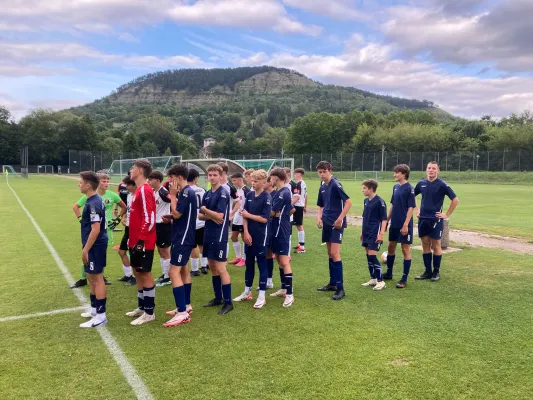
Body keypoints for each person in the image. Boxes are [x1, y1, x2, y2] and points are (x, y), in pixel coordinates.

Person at [71, 172, 125, 288]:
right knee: (88, 253)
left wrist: (118, 219)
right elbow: (75, 206)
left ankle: (100, 275)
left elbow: (124, 207)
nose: (106, 183)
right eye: (103, 181)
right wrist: (81, 219)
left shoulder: (112, 195)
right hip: (93, 230)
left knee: (99, 253)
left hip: (104, 230)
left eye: (107, 181)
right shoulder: (90, 197)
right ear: (97, 183)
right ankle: (83, 277)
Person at [162, 164, 197, 327]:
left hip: (182, 237)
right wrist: (171, 217)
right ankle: (186, 306)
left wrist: (173, 196)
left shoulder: (185, 192)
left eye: (171, 178)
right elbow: (178, 215)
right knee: (183, 270)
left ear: (179, 178)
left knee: (173, 271)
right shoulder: (187, 192)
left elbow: (177, 213)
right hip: (182, 235)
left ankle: (182, 312)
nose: (170, 181)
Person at [414, 161, 459, 282]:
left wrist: (446, 214)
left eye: (434, 168)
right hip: (423, 219)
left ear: (438, 171)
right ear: (426, 170)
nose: (431, 170)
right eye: (429, 168)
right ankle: (427, 271)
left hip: (435, 220)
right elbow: (412, 195)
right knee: (425, 244)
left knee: (436, 245)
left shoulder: (442, 185)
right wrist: (416, 209)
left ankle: (436, 272)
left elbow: (455, 200)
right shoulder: (421, 183)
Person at [233, 170, 272, 309]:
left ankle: (262, 295)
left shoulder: (267, 197)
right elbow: (243, 215)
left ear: (263, 182)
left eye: (256, 181)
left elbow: (264, 218)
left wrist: (248, 215)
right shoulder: (249, 195)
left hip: (261, 235)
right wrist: (246, 232)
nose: (253, 183)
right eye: (252, 181)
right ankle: (247, 291)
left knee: (262, 264)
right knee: (249, 263)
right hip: (249, 235)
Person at [125, 159, 157, 326]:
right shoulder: (138, 191)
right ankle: (142, 307)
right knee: (137, 272)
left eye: (133, 168)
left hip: (143, 241)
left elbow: (150, 218)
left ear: (139, 170)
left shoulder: (145, 190)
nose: (131, 170)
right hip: (135, 240)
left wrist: (140, 240)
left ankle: (149, 312)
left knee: (145, 273)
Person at [199, 164, 234, 315]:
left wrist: (206, 211)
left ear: (221, 176)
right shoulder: (207, 193)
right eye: (210, 175)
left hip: (219, 235)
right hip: (208, 232)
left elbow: (220, 217)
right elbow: (199, 216)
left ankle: (228, 302)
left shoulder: (223, 193)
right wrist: (209, 215)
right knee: (212, 265)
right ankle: (218, 298)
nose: (212, 177)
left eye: (215, 175)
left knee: (221, 268)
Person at [316, 161, 352, 300]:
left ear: (330, 171)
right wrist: (319, 218)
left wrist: (340, 219)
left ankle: (341, 288)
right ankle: (332, 283)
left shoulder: (336, 184)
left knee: (335, 253)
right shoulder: (322, 186)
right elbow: (321, 205)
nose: (322, 174)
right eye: (320, 172)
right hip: (326, 222)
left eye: (324, 171)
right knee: (330, 254)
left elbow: (349, 202)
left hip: (336, 224)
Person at [78, 171, 108, 328]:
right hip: (91, 244)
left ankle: (101, 315)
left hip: (95, 245)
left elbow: (96, 229)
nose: (78, 184)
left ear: (88, 185)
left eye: (80, 182)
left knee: (97, 278)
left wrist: (86, 249)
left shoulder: (93, 203)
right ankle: (95, 309)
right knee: (91, 276)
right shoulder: (91, 201)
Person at [384, 165, 416, 288]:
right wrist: (387, 221)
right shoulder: (396, 187)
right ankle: (389, 273)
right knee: (391, 247)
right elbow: (392, 205)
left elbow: (410, 208)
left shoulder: (410, 188)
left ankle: (404, 278)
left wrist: (406, 225)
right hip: (394, 224)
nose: (394, 175)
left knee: (405, 249)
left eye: (396, 173)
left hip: (404, 225)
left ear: (404, 174)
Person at [268, 168, 295, 307]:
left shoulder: (283, 192)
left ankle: (290, 294)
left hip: (281, 230)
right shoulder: (279, 192)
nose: (269, 180)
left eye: (271, 177)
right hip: (275, 228)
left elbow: (272, 212)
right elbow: (291, 208)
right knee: (278, 259)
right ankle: (284, 288)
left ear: (276, 178)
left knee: (284, 261)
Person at [360, 179, 388, 291]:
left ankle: (381, 281)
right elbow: (365, 217)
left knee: (372, 256)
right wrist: (362, 231)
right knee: (368, 256)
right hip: (366, 231)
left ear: (371, 189)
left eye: (364, 188)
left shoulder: (380, 202)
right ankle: (373, 279)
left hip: (374, 232)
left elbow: (384, 219)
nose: (362, 190)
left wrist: (381, 234)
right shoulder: (366, 201)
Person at [148, 171, 172, 287]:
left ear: (157, 180)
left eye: (150, 180)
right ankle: (164, 274)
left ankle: (168, 277)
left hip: (163, 225)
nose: (148, 182)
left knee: (165, 251)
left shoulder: (163, 192)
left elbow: (173, 201)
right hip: (156, 225)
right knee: (160, 250)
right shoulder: (154, 191)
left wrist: (170, 216)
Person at [187, 169, 208, 276]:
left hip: (190, 223)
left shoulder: (185, 191)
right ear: (196, 179)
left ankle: (195, 269)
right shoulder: (202, 190)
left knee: (192, 246)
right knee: (202, 244)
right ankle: (204, 266)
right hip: (202, 221)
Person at [116, 177, 136, 286]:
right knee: (121, 251)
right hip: (128, 228)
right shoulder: (128, 196)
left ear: (134, 185)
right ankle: (128, 275)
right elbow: (128, 210)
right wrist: (124, 218)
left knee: (133, 253)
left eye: (128, 185)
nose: (126, 187)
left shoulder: (138, 196)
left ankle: (134, 277)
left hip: (134, 229)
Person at [228, 172, 250, 267]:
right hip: (237, 216)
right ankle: (238, 257)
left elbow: (249, 203)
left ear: (240, 179)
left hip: (243, 217)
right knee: (233, 237)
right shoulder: (238, 190)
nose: (233, 182)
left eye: (234, 180)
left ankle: (245, 259)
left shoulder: (246, 190)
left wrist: (247, 214)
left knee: (244, 237)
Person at [291, 168, 307, 253]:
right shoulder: (303, 183)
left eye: (295, 174)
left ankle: (302, 246)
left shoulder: (299, 184)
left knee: (299, 225)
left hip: (297, 206)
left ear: (299, 174)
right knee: (298, 225)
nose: (294, 175)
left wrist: (291, 203)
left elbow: (298, 197)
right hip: (300, 206)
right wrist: (305, 206)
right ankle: (300, 244)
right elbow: (306, 196)